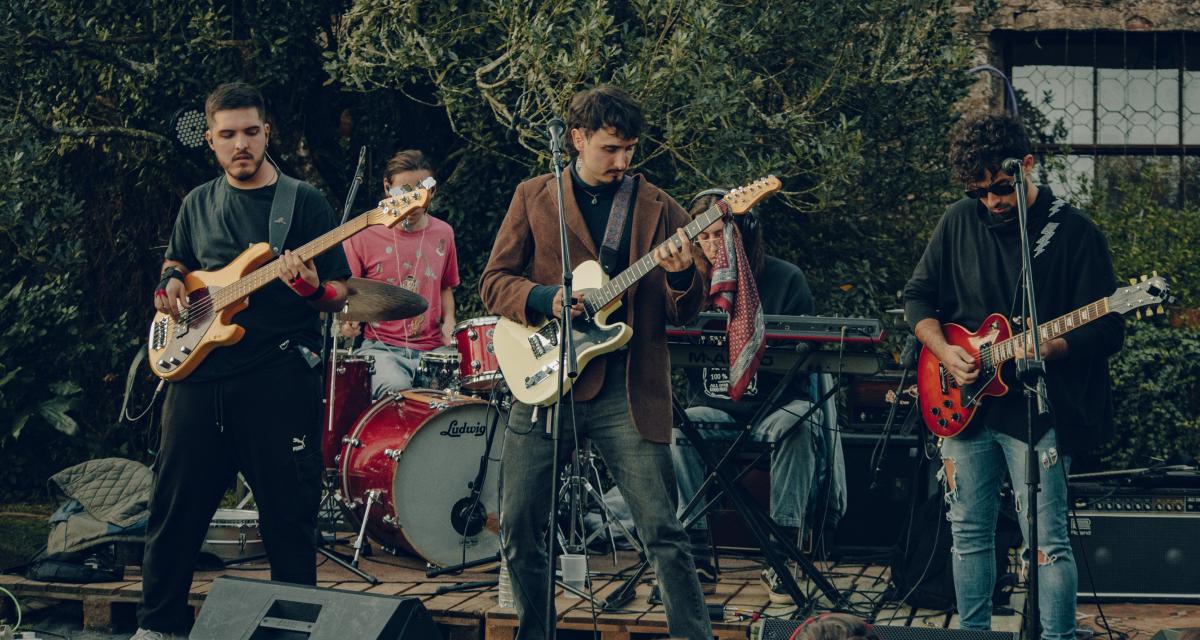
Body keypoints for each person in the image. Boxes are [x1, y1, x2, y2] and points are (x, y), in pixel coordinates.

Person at [480, 85, 713, 640]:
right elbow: (493, 283)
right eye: (610, 148)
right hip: (544, 384)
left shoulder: (658, 208)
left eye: (630, 149)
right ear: (577, 140)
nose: (622, 161)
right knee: (518, 527)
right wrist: (547, 300)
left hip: (626, 389)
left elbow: (696, 299)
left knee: (662, 530)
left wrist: (681, 274)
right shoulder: (535, 196)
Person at [135, 82, 350, 640]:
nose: (241, 145)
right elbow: (176, 260)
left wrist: (309, 289)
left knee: (288, 516)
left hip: (275, 377)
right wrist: (170, 280)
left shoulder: (303, 204)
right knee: (174, 511)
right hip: (197, 377)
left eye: (250, 132)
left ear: (266, 132)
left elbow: (341, 290)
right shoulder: (196, 202)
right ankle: (156, 628)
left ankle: (292, 629)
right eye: (227, 135)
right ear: (210, 140)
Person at [903, 112, 1124, 640]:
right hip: (966, 406)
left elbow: (1110, 328)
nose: (991, 202)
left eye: (1001, 188)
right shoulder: (958, 221)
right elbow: (917, 299)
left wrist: (1053, 344)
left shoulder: (1072, 232)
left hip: (1037, 408)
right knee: (969, 533)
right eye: (979, 192)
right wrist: (944, 351)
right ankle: (973, 634)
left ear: (1027, 165)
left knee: (1046, 541)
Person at [664, 188, 836, 604]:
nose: (711, 245)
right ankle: (698, 551)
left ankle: (784, 552)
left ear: (744, 232)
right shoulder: (690, 288)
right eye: (702, 237)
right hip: (716, 411)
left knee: (796, 425)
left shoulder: (785, 278)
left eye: (720, 234)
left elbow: (807, 357)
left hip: (777, 406)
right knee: (680, 432)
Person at [340, 149, 460, 396]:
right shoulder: (363, 235)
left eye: (421, 190)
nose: (415, 200)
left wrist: (449, 323)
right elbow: (345, 291)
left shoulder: (444, 233)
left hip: (434, 350)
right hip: (381, 349)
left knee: (458, 397)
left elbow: (445, 286)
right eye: (405, 191)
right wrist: (347, 321)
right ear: (387, 187)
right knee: (396, 389)